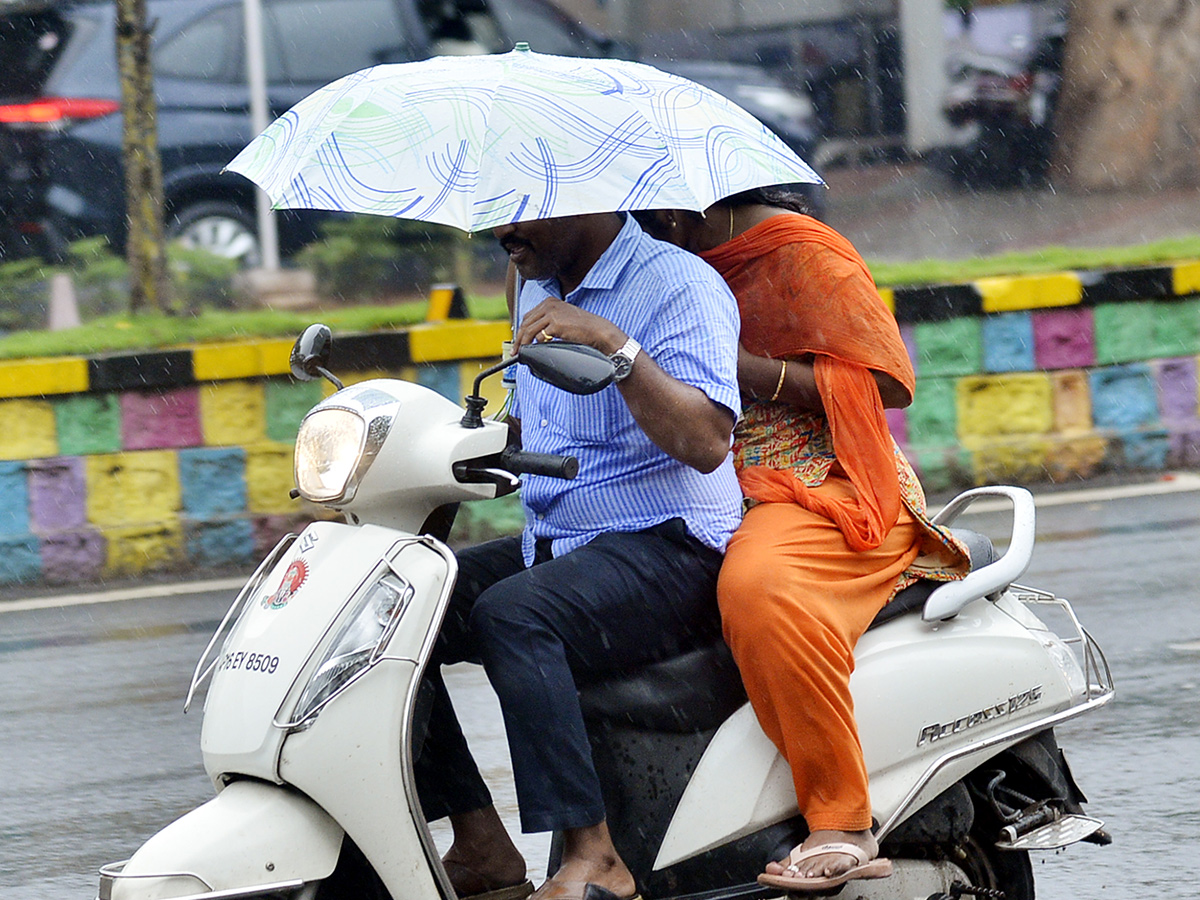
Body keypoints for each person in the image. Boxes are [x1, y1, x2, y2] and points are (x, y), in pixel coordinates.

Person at [634, 190, 971, 893]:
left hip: (816, 479)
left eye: (644, 218)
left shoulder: (798, 253)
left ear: (680, 207)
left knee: (760, 591)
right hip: (683, 481)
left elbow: (886, 383)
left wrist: (737, 365)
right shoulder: (625, 267)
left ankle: (842, 819)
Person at [414, 210, 744, 900]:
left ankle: (596, 856)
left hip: (674, 544)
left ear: (585, 199)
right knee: (404, 603)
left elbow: (708, 442)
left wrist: (618, 350)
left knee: (513, 615)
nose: (502, 231)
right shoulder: (531, 284)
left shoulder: (679, 284)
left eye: (520, 211)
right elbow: (535, 423)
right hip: (560, 543)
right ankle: (480, 839)